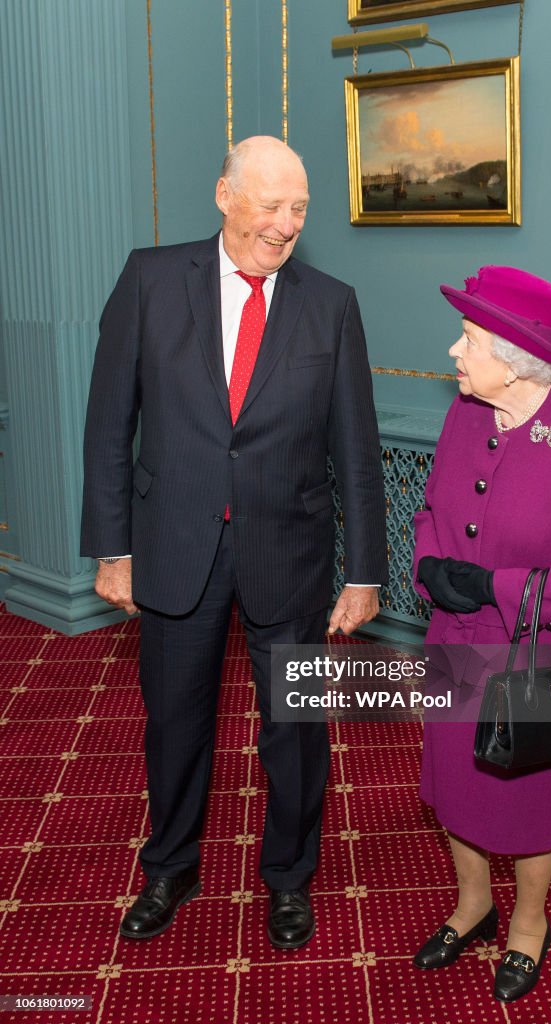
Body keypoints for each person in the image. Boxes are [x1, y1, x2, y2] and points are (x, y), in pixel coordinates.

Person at [81, 136, 387, 948]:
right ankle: (170, 866)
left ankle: (289, 876)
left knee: (296, 729)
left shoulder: (331, 303)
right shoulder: (150, 278)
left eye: (298, 210)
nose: (284, 225)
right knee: (173, 721)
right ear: (223, 194)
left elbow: (355, 447)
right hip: (174, 544)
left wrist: (364, 572)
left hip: (290, 555)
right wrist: (112, 548)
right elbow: (109, 424)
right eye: (268, 204)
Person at [412, 266, 551, 1002]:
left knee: (530, 796)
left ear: (510, 354)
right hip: (455, 637)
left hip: (543, 651)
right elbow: (432, 514)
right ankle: (473, 906)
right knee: (456, 787)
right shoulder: (465, 411)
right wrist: (428, 569)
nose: (453, 352)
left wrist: (497, 589)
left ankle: (528, 923)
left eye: (467, 340)